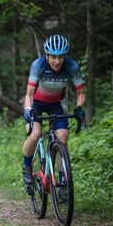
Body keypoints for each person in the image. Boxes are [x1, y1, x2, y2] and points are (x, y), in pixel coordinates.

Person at [22, 34, 86, 195]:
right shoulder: (38, 65)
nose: (57, 61)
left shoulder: (72, 67)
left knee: (62, 138)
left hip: (56, 104)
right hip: (35, 102)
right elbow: (28, 94)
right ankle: (27, 167)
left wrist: (79, 108)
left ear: (65, 56)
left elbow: (81, 93)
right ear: (47, 55)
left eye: (61, 57)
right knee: (35, 134)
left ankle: (63, 181)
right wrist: (29, 111)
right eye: (53, 57)